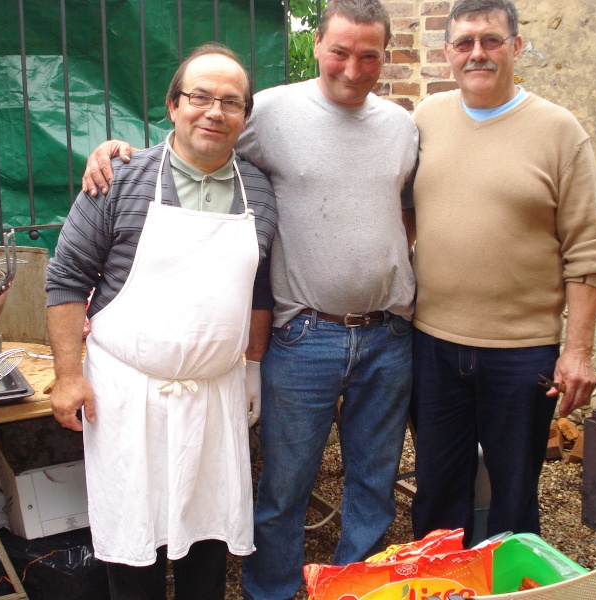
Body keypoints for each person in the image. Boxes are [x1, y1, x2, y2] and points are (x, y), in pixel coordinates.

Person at [81, 1, 419, 597]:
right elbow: (196, 139)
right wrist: (115, 151)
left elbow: (410, 210)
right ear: (316, 45)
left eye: (369, 55)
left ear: (384, 57)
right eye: (340, 51)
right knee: (284, 487)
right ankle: (271, 592)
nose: (352, 66)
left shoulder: (403, 126)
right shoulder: (271, 110)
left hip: (388, 333)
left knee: (374, 482)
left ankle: (360, 588)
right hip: (305, 333)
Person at [45, 43, 277, 600]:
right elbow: (66, 278)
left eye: (230, 102)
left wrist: (251, 368)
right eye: (200, 97)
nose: (214, 112)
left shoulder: (261, 193)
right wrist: (69, 376)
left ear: (245, 117)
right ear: (173, 105)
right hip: (128, 397)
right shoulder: (120, 177)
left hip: (214, 397)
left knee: (207, 541)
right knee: (135, 543)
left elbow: (259, 289)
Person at [406, 0, 596, 545]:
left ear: (516, 47)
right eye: (465, 42)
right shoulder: (426, 118)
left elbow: (587, 252)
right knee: (436, 493)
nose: (478, 53)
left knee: (514, 496)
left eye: (491, 40)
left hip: (522, 354)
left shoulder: (559, 131)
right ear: (447, 52)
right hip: (433, 345)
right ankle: (442, 582)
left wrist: (578, 351)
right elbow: (403, 213)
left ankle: (511, 584)